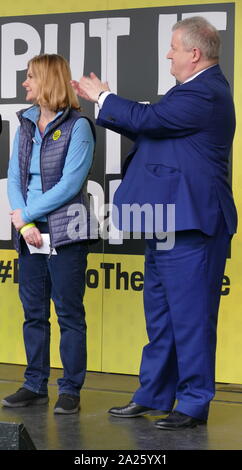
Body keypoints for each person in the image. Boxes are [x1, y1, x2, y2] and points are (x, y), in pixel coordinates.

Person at [71, 16, 237, 429]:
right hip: (167, 222)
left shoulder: (207, 93)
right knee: (161, 317)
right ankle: (154, 394)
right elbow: (148, 125)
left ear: (194, 54)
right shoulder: (186, 96)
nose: (168, 54)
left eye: (173, 48)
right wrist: (117, 108)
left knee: (193, 319)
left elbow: (148, 122)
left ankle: (193, 403)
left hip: (194, 225)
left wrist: (105, 96)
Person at [2, 53, 96, 414]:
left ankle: (70, 389)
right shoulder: (25, 124)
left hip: (66, 232)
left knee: (69, 314)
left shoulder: (79, 127)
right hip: (29, 233)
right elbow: (14, 177)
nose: (25, 83)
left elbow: (70, 185)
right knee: (34, 312)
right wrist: (25, 225)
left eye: (30, 77)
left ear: (48, 81)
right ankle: (34, 385)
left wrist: (25, 214)